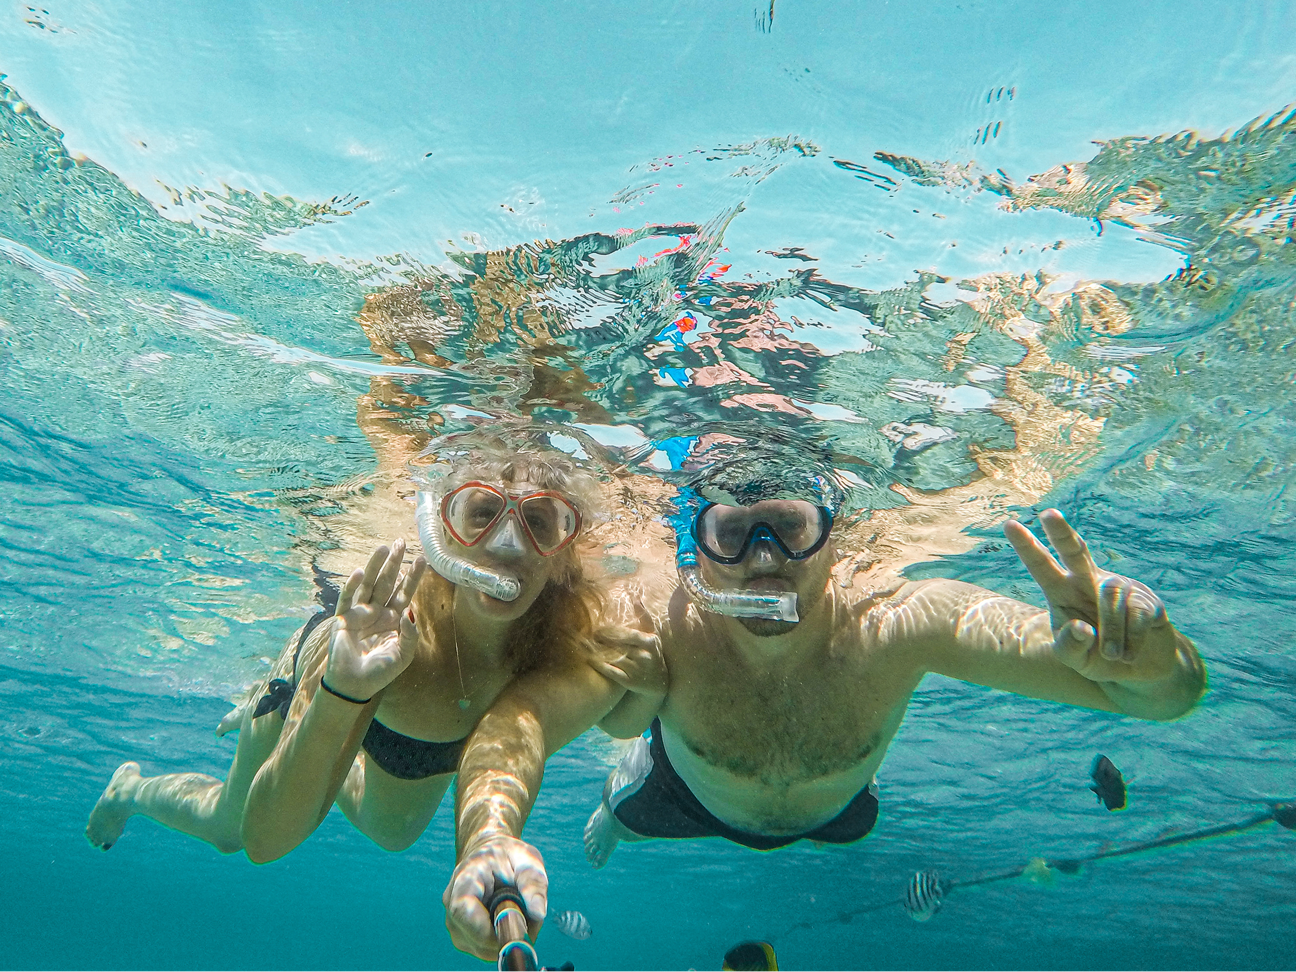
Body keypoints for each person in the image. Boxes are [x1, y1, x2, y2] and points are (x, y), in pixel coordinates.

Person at [440, 474, 1206, 960]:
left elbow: (1165, 698)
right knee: (626, 804)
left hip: (841, 810)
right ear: (695, 548)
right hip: (677, 798)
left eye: (791, 529)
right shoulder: (656, 622)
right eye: (734, 533)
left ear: (833, 541)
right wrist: (489, 835)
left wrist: (1151, 660)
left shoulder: (902, 619)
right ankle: (618, 794)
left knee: (850, 815)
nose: (764, 560)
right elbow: (524, 721)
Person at [85, 438, 659, 863]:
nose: (507, 546)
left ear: (565, 549)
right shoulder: (385, 623)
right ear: (442, 530)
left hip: (413, 736)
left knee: (393, 835)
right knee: (231, 829)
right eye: (481, 514)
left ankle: (329, 754)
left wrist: (651, 688)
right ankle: (131, 790)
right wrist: (339, 698)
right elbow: (267, 842)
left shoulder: (572, 630)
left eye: (538, 522)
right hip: (337, 680)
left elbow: (620, 719)